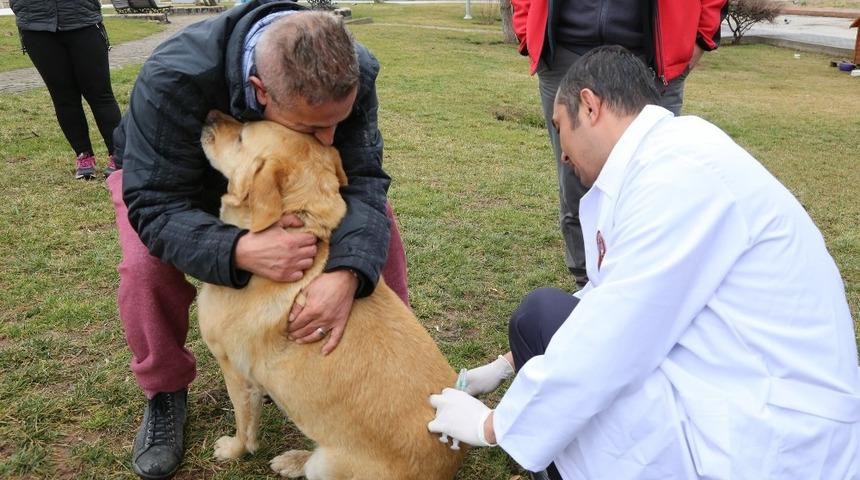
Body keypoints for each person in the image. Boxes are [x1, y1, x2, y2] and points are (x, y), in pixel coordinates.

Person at [428, 46, 860, 480]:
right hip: (739, 384)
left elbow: (610, 338)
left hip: (767, 438)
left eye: (560, 128)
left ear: (590, 106)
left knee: (545, 317)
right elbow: (611, 290)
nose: (561, 153)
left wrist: (489, 425)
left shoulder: (679, 173)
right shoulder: (666, 156)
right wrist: (505, 366)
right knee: (539, 321)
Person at [107, 3, 410, 478]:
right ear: (259, 91)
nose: (329, 138)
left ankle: (389, 366)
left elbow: (364, 177)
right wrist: (237, 249)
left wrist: (348, 274)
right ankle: (165, 392)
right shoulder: (172, 78)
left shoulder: (354, 68)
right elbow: (155, 204)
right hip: (170, 181)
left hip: (273, 177)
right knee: (145, 268)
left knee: (378, 230)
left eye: (338, 120)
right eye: (313, 128)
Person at [510, 0, 727, 287]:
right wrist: (528, 29)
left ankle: (644, 287)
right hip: (565, 50)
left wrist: (699, 36)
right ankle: (587, 286)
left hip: (653, 54)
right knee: (576, 182)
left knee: (653, 186)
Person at [10, 0, 122, 179]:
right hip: (35, 23)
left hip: (81, 19)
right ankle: (83, 154)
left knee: (100, 94)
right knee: (63, 97)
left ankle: (119, 155)